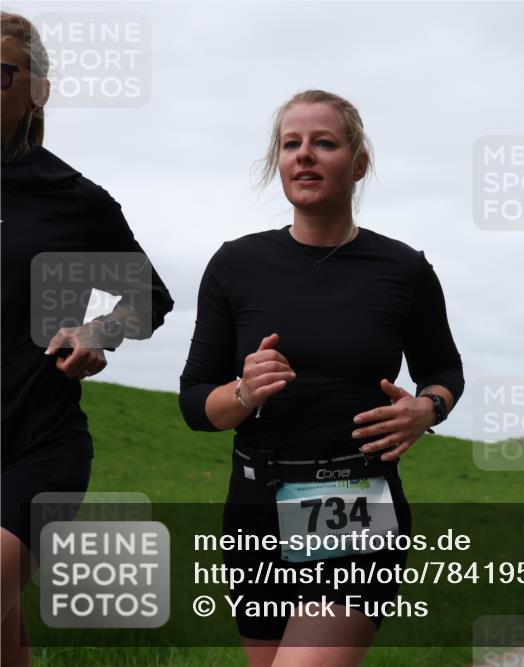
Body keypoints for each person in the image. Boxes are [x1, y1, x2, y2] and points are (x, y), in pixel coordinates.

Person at [179, 89, 463, 667]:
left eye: (324, 143)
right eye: (291, 144)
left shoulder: (404, 270)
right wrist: (243, 392)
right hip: (254, 501)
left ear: (358, 164)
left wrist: (426, 408)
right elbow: (193, 402)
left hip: (356, 500)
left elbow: (444, 370)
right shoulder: (235, 265)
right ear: (278, 162)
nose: (304, 155)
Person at [1, 11, 174, 666]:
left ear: (37, 89)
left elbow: (151, 297)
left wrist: (98, 330)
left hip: (35, 451)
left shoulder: (73, 199)